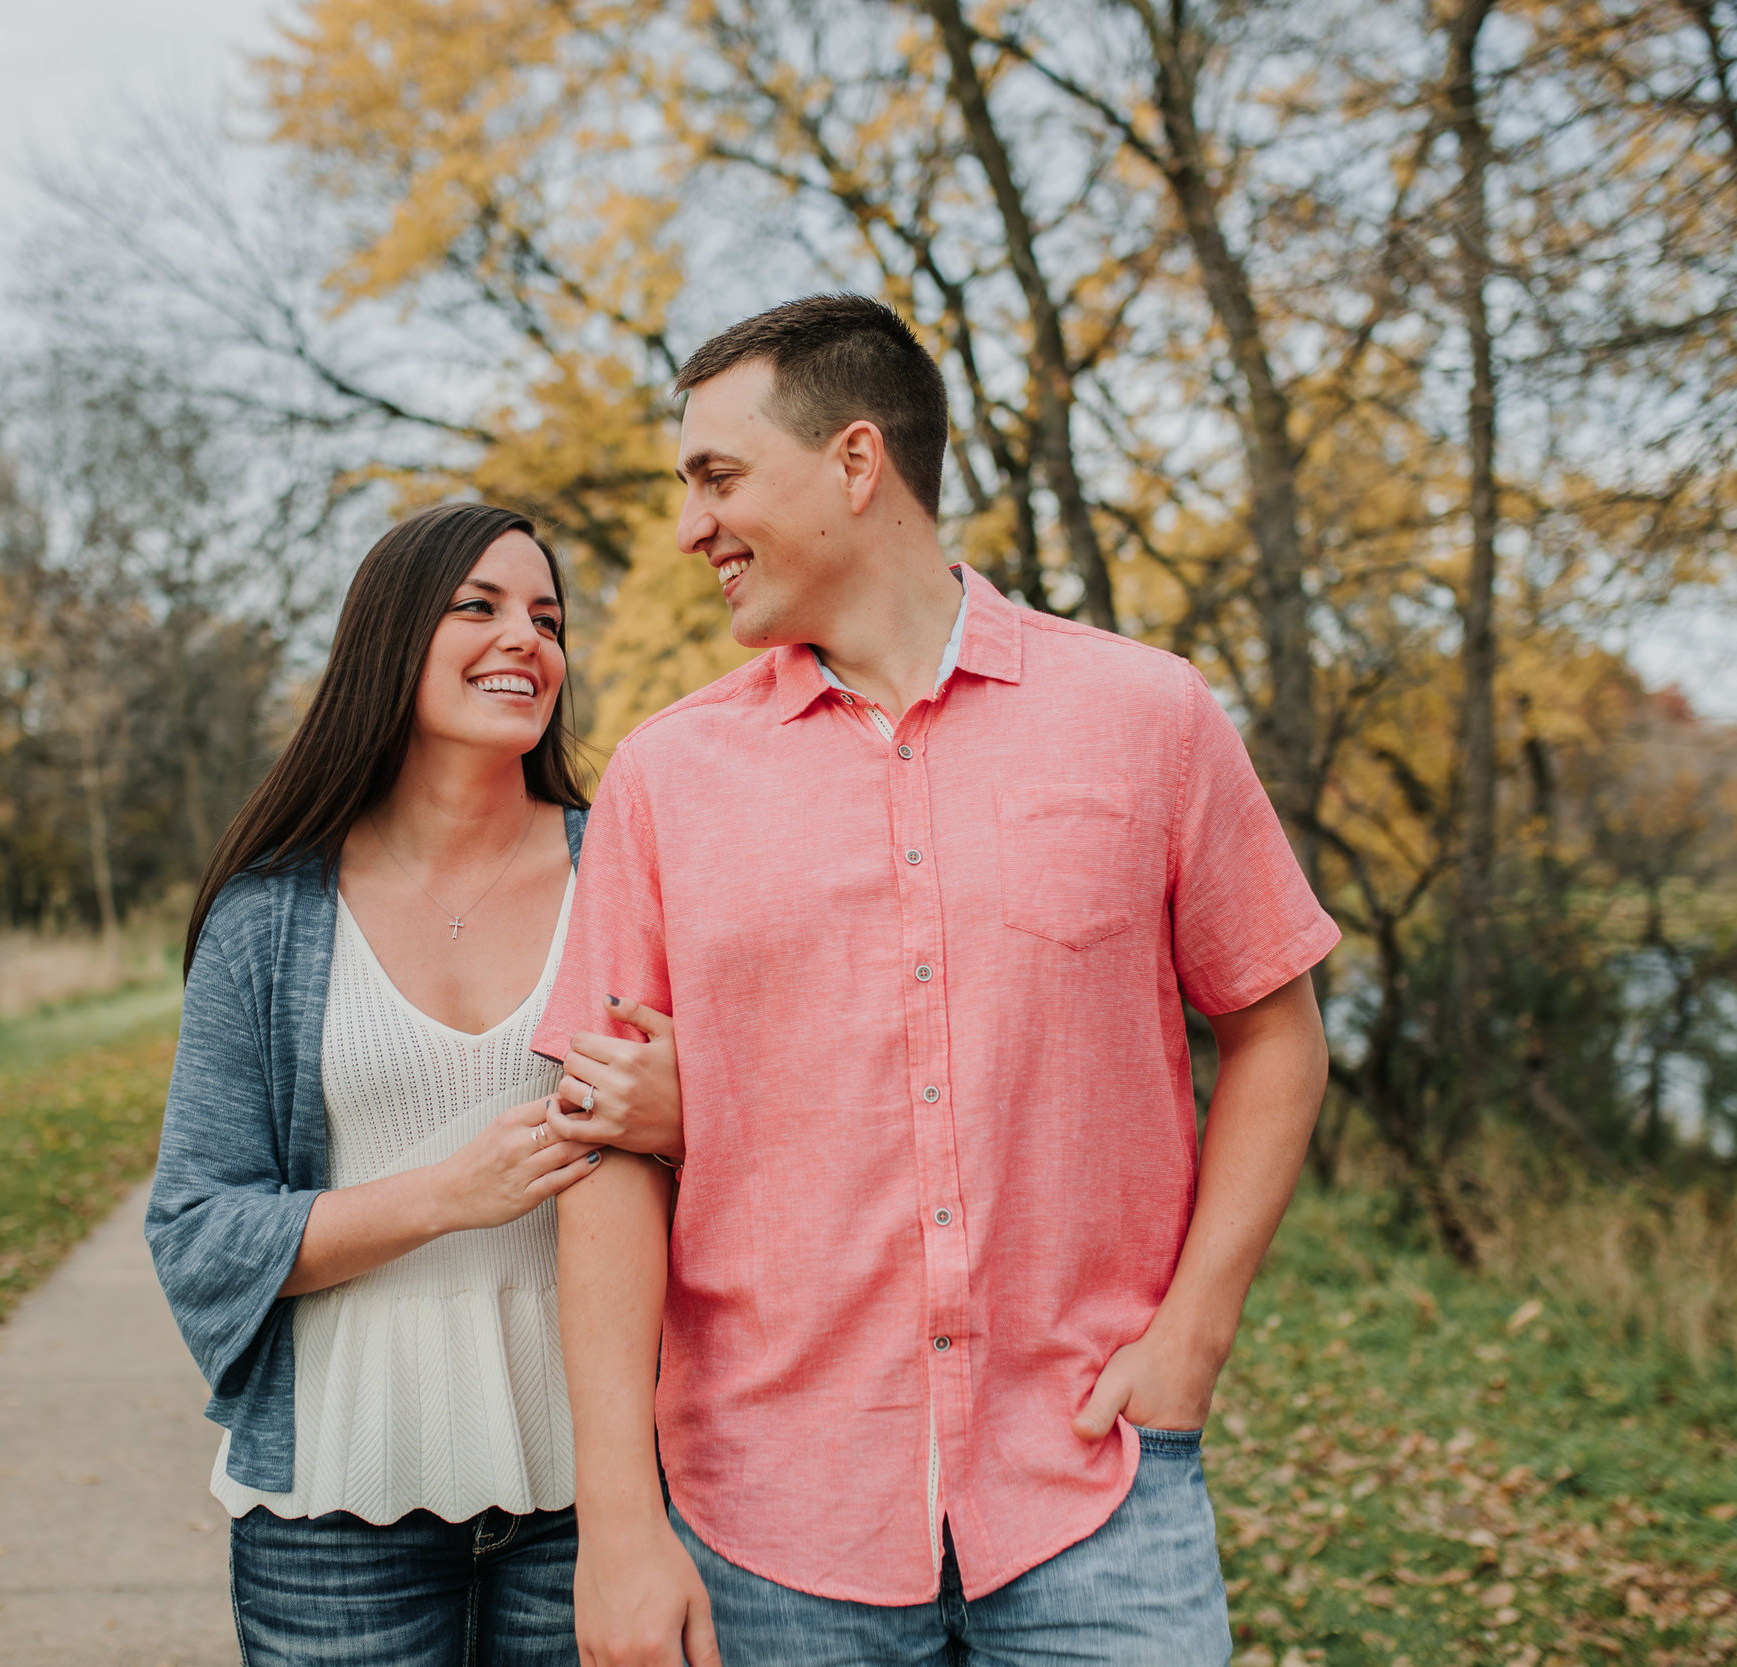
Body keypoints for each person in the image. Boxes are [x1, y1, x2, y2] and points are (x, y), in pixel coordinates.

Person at [533, 296, 1339, 1666]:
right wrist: (619, 1520)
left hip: (1093, 1493)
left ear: (858, 463)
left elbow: (1275, 1029)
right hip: (771, 1518)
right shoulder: (667, 779)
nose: (689, 528)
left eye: (717, 478)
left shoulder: (1148, 716)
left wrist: (1193, 1335)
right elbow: (604, 1148)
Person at [146, 501, 683, 1667]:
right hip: (333, 1503)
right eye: (477, 606)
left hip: (597, 1492)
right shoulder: (269, 917)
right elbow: (196, 1230)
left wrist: (685, 1117)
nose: (525, 639)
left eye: (546, 617)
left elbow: (769, 1140)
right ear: (391, 637)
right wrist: (448, 1191)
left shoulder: (627, 871)